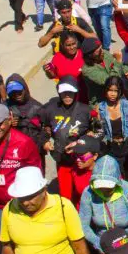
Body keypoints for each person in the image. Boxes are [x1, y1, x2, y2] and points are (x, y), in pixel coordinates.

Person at [0, 103, 42, 234]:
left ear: (9, 120)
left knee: (24, 238)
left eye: (0, 123)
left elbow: (36, 174)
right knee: (4, 239)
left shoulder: (24, 142)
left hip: (22, 203)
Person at [38, 76, 95, 204]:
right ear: (59, 92)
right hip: (62, 160)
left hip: (82, 161)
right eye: (64, 93)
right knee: (65, 198)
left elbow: (99, 131)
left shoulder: (86, 111)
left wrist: (84, 142)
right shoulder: (50, 110)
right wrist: (45, 141)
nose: (67, 96)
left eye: (70, 93)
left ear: (76, 92)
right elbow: (44, 127)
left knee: (82, 194)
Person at [78, 155, 128, 252]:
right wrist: (98, 244)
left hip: (126, 244)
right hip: (102, 244)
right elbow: (83, 225)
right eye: (100, 187)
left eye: (108, 187)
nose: (104, 190)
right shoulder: (88, 193)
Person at [97, 76, 128, 174]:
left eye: (116, 91)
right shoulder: (100, 108)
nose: (113, 94)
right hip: (111, 149)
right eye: (110, 90)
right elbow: (98, 131)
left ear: (120, 91)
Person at [80, 37, 128, 105]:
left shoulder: (104, 54)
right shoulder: (87, 70)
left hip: (118, 95)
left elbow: (120, 66)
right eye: (99, 50)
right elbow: (111, 81)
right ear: (90, 55)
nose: (102, 51)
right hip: (102, 102)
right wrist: (118, 61)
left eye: (101, 48)